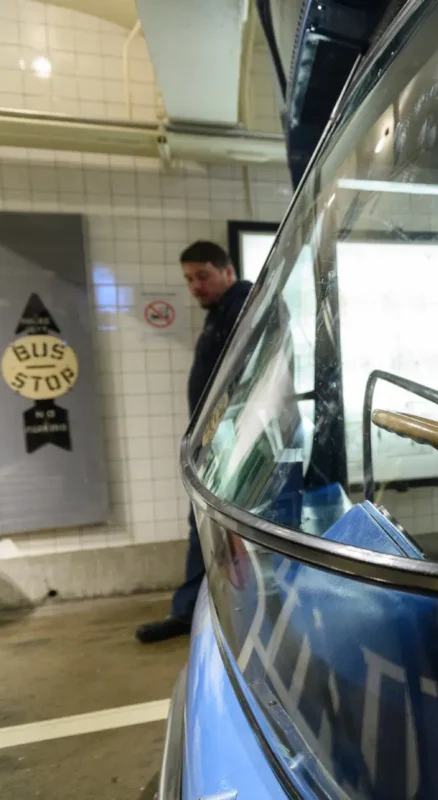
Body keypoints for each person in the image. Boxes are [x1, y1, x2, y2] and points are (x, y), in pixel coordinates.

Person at [136, 241, 252, 644]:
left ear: (228, 271)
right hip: (214, 443)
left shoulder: (243, 305)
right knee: (202, 526)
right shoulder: (220, 312)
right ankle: (192, 611)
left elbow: (245, 381)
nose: (195, 287)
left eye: (202, 276)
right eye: (188, 280)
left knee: (226, 529)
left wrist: (220, 441)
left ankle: (232, 613)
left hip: (231, 443)